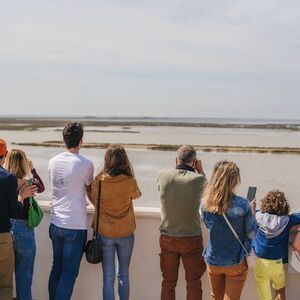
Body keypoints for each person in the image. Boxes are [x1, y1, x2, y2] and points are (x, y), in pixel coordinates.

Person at [48, 122, 94, 300]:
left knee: (56, 268)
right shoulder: (86, 164)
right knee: (68, 273)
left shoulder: (53, 162)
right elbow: (90, 192)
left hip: (55, 222)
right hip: (75, 225)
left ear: (64, 140)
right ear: (81, 140)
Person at [89, 144, 141, 300]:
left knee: (108, 277)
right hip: (126, 233)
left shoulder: (99, 181)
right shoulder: (129, 181)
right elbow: (137, 195)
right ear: (124, 160)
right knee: (123, 274)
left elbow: (93, 195)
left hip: (105, 233)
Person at [200, 160, 257, 300]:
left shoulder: (205, 203)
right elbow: (252, 233)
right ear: (235, 180)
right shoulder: (244, 205)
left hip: (213, 259)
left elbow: (209, 226)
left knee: (216, 297)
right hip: (235, 260)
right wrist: (253, 213)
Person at [157, 145, 207, 300]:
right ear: (194, 161)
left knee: (168, 281)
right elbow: (210, 192)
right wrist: (200, 170)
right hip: (191, 238)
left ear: (176, 160)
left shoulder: (163, 176)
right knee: (193, 282)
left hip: (167, 238)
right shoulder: (199, 179)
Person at [4, 149, 45, 300]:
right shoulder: (29, 183)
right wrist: (33, 169)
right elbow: (41, 187)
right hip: (24, 229)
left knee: (4, 278)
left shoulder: (5, 182)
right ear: (23, 163)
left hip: (6, 229)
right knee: (24, 277)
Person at [0, 139, 36, 300]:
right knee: (9, 284)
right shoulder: (7, 178)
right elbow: (14, 210)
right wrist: (21, 197)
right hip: (4, 235)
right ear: (4, 155)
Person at [252, 190, 300, 300]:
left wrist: (252, 209)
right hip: (277, 263)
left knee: (265, 297)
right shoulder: (288, 220)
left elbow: (246, 214)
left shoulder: (258, 216)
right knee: (280, 290)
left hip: (260, 263)